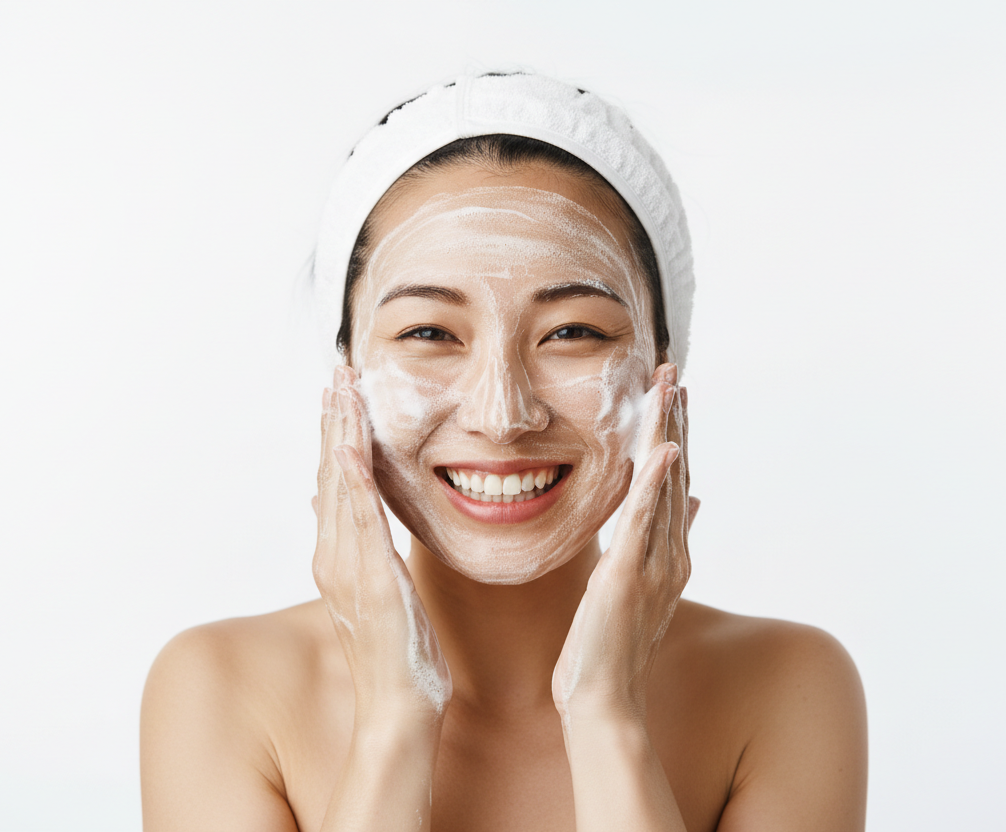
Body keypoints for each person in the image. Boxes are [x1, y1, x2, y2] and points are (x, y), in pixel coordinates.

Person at [140, 72, 867, 831]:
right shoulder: (221, 690)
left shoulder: (785, 686)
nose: (503, 415)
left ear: (661, 372)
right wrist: (393, 720)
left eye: (573, 333)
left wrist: (606, 714)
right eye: (428, 333)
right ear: (347, 377)